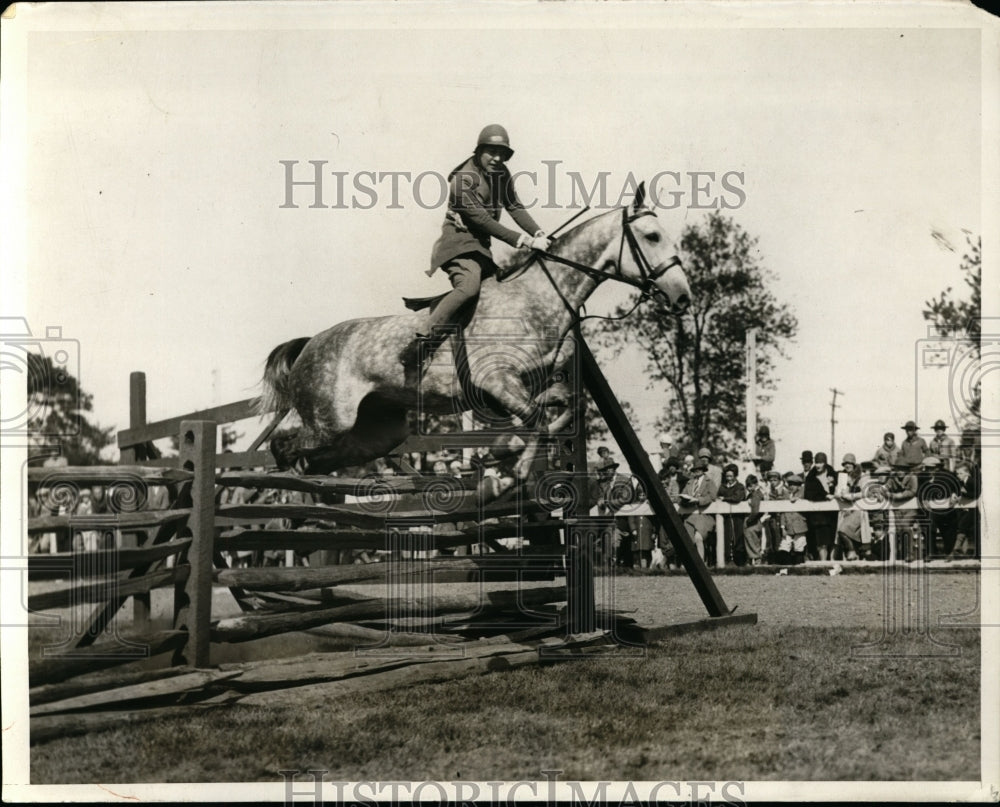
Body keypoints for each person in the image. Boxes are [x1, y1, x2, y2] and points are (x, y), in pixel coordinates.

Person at [403, 124, 550, 369]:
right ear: (479, 150)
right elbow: (482, 220)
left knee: (501, 294)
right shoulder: (462, 180)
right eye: (492, 152)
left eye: (502, 154)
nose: (497, 158)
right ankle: (422, 339)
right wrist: (525, 240)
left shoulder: (502, 174)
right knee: (470, 288)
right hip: (458, 247)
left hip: (481, 250)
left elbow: (514, 206)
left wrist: (539, 232)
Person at [679, 459, 717, 561]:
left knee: (698, 538)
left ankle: (701, 564)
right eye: (695, 469)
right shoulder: (689, 483)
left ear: (703, 470)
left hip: (704, 515)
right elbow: (682, 496)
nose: (697, 471)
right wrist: (685, 500)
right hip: (690, 515)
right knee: (688, 541)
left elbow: (712, 496)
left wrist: (698, 500)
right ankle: (689, 564)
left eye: (699, 469)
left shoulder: (709, 482)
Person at [803, 451, 838, 560]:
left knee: (833, 538)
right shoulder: (811, 477)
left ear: (825, 463)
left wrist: (833, 484)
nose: (818, 465)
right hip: (818, 514)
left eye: (821, 463)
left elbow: (840, 488)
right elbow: (809, 494)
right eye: (816, 462)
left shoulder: (833, 474)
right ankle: (823, 562)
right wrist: (825, 495)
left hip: (833, 512)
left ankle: (831, 562)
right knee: (821, 541)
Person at [950, 460, 981, 559]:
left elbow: (977, 494)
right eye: (957, 473)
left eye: (961, 473)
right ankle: (961, 550)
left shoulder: (972, 481)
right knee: (963, 527)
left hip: (974, 510)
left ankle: (957, 549)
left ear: (967, 473)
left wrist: (963, 494)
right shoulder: (960, 482)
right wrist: (955, 494)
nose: (958, 475)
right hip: (965, 509)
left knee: (963, 527)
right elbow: (957, 491)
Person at [717, 464, 746, 566]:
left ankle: (740, 561)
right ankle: (729, 560)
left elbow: (737, 498)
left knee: (738, 537)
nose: (729, 478)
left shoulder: (740, 486)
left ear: (735, 476)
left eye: (731, 476)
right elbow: (718, 496)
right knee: (727, 537)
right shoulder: (722, 487)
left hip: (737, 517)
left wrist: (725, 499)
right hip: (726, 517)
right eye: (727, 476)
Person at [777, 475, 809, 565]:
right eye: (790, 484)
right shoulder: (786, 496)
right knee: (784, 545)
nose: (791, 487)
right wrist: (782, 527)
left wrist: (798, 499)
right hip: (788, 526)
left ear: (799, 486)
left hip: (799, 526)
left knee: (799, 545)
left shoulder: (802, 494)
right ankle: (785, 568)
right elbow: (782, 513)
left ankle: (799, 567)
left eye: (794, 485)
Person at [742, 474, 766, 565]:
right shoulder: (756, 494)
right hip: (756, 520)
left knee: (751, 539)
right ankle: (756, 559)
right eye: (748, 486)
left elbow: (755, 510)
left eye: (751, 486)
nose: (749, 488)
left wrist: (749, 521)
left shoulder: (756, 495)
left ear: (755, 484)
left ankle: (756, 559)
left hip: (753, 521)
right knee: (755, 540)